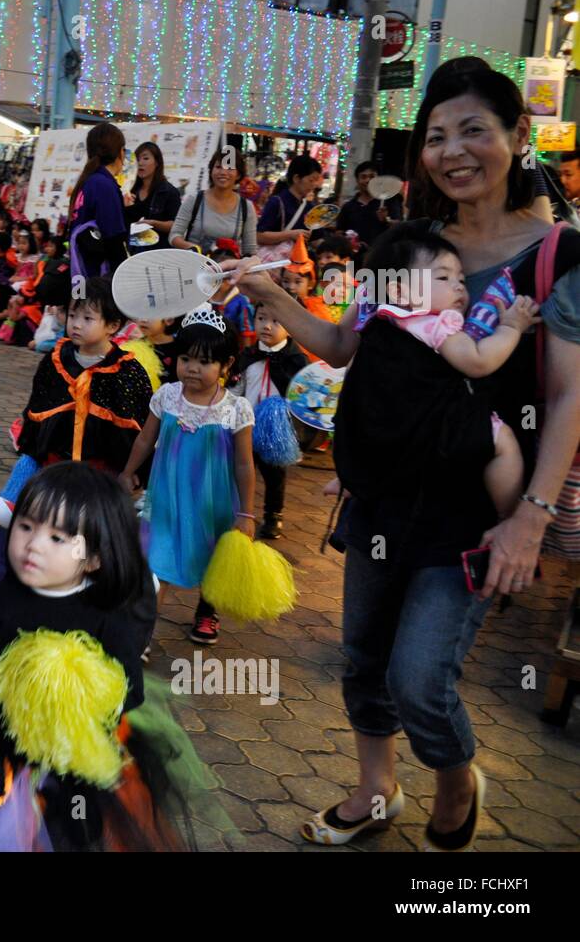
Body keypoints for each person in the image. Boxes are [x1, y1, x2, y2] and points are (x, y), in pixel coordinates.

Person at [225, 59, 580, 853]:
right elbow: (348, 345)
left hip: (476, 508)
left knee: (420, 677)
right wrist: (275, 299)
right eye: (436, 136)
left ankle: (455, 775)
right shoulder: (404, 245)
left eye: (475, 131)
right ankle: (375, 787)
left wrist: (532, 515)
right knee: (363, 658)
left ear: (520, 136)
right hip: (381, 495)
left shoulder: (560, 256)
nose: (453, 151)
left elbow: (564, 400)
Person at [0, 461, 213, 852]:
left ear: (95, 558)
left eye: (58, 538)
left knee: (75, 831)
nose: (33, 545)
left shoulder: (105, 618)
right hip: (4, 760)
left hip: (77, 769)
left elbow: (128, 689)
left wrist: (77, 701)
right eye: (26, 527)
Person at [349, 225, 537, 518]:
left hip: (390, 429)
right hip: (440, 430)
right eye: (443, 277)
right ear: (400, 290)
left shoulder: (381, 321)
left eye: (461, 278)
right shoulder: (436, 324)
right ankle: (506, 518)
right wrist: (511, 327)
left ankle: (350, 480)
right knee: (505, 444)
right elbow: (477, 362)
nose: (460, 286)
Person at [119, 307, 256, 647]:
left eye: (205, 361)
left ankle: (207, 611)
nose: (192, 368)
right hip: (166, 497)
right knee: (157, 561)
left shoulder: (236, 409)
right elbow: (145, 439)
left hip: (215, 503)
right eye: (185, 358)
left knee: (212, 558)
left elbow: (244, 464)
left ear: (226, 365)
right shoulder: (167, 396)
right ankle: (142, 634)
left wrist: (247, 512)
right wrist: (127, 472)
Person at [16, 276, 154, 480]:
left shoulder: (127, 371)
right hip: (53, 465)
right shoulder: (55, 360)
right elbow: (37, 407)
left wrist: (134, 472)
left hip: (100, 473)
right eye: (72, 315)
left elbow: (137, 428)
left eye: (87, 318)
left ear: (113, 325)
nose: (76, 325)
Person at [229, 303, 309, 539]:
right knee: (242, 468)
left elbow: (302, 394)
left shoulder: (295, 360)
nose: (267, 326)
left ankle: (274, 514)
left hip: (278, 429)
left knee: (275, 474)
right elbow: (237, 385)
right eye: (262, 318)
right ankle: (241, 511)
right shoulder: (248, 355)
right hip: (247, 423)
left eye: (277, 321)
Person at [68, 122, 129, 280]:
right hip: (99, 278)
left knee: (81, 302)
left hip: (80, 272)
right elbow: (114, 241)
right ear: (120, 153)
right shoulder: (104, 185)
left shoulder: (89, 181)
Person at [169, 149, 259, 257]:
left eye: (229, 168)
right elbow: (174, 235)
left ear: (238, 174)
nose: (223, 172)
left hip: (227, 270)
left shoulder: (246, 207)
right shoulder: (194, 200)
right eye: (218, 167)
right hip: (193, 266)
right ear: (211, 170)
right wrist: (191, 248)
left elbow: (250, 250)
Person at [255, 154, 323, 249]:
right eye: (311, 180)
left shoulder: (310, 207)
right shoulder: (277, 202)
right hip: (275, 261)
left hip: (300, 260)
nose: (314, 185)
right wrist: (290, 235)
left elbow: (315, 239)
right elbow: (259, 236)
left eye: (316, 181)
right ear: (296, 178)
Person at [124, 141, 181, 250]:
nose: (140, 163)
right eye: (137, 159)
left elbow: (176, 225)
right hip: (131, 253)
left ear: (157, 163)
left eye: (145, 158)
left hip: (157, 253)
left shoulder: (169, 192)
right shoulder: (130, 190)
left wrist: (153, 223)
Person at [338, 160, 404, 249]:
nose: (367, 180)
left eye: (372, 176)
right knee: (350, 263)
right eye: (363, 177)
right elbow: (339, 231)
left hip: (378, 256)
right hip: (351, 258)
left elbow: (399, 227)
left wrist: (386, 220)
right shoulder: (348, 206)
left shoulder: (389, 202)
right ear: (357, 180)